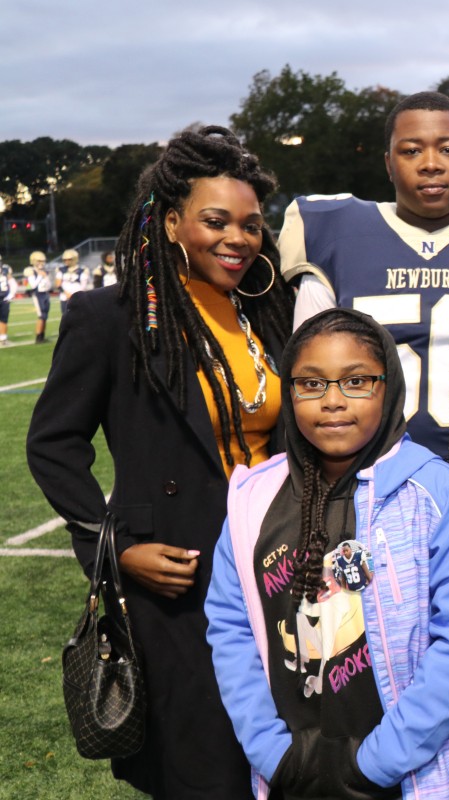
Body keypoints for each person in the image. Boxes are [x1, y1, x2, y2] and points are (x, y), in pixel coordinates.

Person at [26, 126, 293, 799]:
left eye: (251, 224)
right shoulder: (108, 317)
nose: (237, 238)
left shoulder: (266, 311)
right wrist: (113, 546)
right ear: (171, 222)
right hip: (180, 583)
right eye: (215, 221)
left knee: (286, 760)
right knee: (205, 769)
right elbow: (53, 445)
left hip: (281, 572)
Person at [206, 307, 449, 800]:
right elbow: (230, 627)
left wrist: (377, 762)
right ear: (289, 393)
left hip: (417, 776)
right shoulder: (252, 498)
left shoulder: (439, 491)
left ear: (389, 387)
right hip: (293, 770)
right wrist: (274, 754)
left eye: (356, 382)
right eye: (311, 384)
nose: (332, 401)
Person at [280, 91, 449, 458]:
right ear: (388, 164)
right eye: (411, 151)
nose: (430, 164)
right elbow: (307, 377)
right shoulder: (333, 233)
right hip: (368, 470)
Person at [58, 248, 90, 313]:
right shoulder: (61, 270)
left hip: (78, 298)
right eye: (65, 259)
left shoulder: (82, 270)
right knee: (66, 319)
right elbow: (58, 284)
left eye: (69, 259)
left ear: (74, 258)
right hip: (65, 297)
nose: (67, 261)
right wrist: (66, 294)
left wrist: (75, 295)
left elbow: (84, 286)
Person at [28, 250, 51, 343]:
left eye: (42, 261)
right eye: (39, 261)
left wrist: (45, 277)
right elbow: (33, 285)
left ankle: (42, 335)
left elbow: (49, 286)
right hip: (37, 295)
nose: (41, 263)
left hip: (45, 294)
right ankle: (38, 337)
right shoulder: (31, 271)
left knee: (45, 316)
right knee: (41, 316)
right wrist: (40, 276)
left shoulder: (44, 272)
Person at [0, 259, 14, 344]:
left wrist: (10, 295)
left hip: (4, 298)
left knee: (4, 319)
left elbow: (12, 282)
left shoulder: (5, 269)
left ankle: (3, 338)